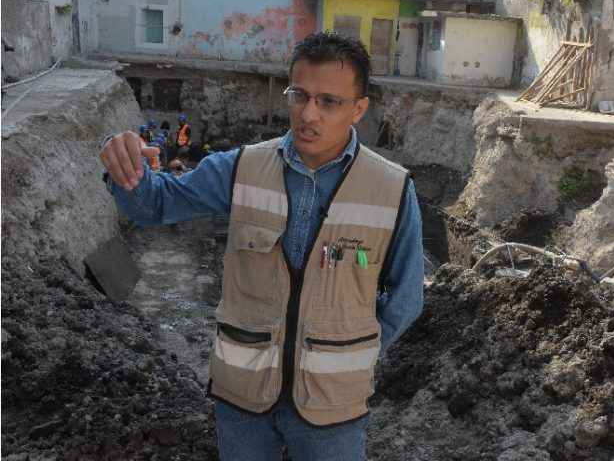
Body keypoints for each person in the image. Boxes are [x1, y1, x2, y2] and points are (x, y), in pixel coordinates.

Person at [99, 31, 424, 461]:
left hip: (333, 410)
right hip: (243, 400)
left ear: (359, 109)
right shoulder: (242, 169)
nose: (308, 113)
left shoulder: (392, 190)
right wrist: (124, 166)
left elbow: (407, 297)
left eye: (329, 101)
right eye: (299, 95)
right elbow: (156, 204)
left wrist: (352, 354)